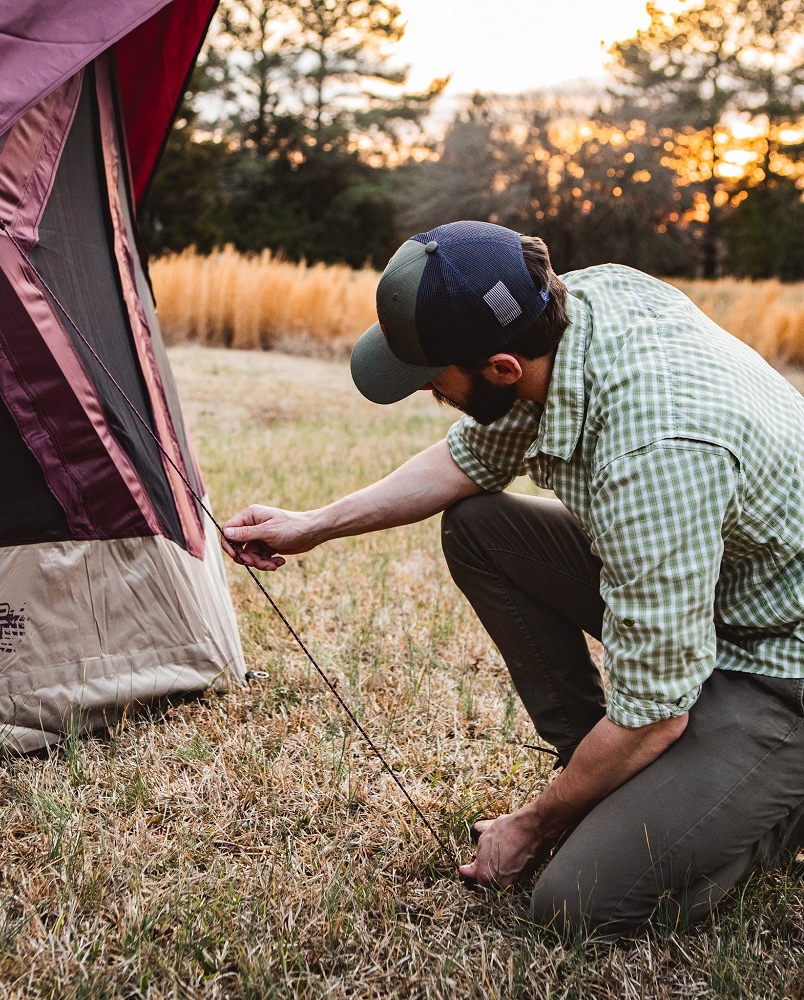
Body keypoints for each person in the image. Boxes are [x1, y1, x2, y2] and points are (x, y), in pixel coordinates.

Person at [220, 221, 804, 936]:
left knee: (579, 904)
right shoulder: (577, 308)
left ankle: (770, 809)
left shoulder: (652, 455)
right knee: (481, 528)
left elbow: (657, 710)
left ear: (500, 368)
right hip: (712, 588)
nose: (430, 393)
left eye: (434, 379)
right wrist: (313, 524)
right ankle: (601, 776)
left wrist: (532, 822)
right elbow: (468, 460)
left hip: (780, 661)